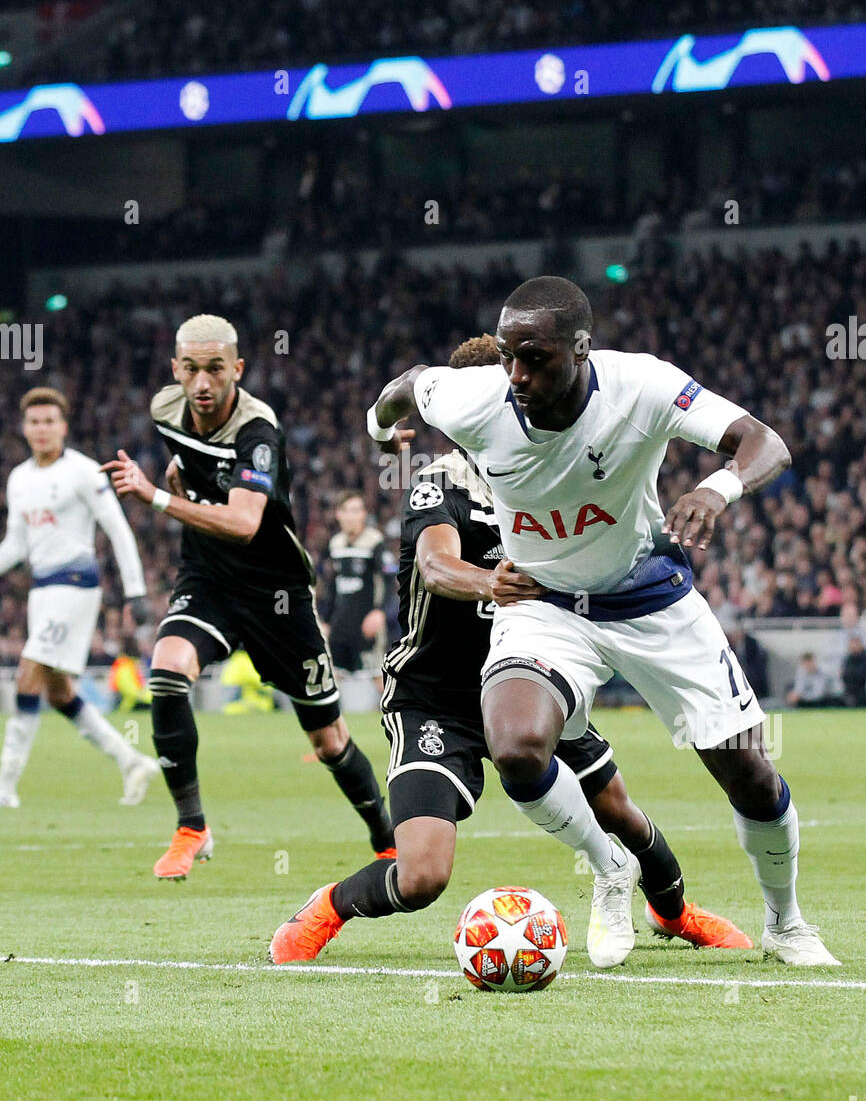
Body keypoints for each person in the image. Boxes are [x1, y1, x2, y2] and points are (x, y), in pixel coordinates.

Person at [361, 277, 839, 967]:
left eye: (536, 358)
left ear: (581, 349)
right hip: (548, 606)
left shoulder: (642, 387)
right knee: (517, 744)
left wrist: (715, 487)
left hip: (652, 600)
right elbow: (405, 385)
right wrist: (382, 433)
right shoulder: (475, 396)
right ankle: (609, 867)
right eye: (507, 356)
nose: (518, 375)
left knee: (750, 775)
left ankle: (786, 922)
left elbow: (762, 443)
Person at [270, 336, 751, 967]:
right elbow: (436, 564)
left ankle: (673, 913)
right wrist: (486, 581)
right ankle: (329, 905)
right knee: (421, 877)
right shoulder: (439, 482)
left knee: (622, 815)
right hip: (437, 698)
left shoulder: (555, 470)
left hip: (532, 679)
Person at [100, 314, 394, 879]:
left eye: (215, 369)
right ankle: (192, 828)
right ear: (175, 371)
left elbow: (242, 522)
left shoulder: (258, 430)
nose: (203, 383)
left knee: (329, 740)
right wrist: (180, 477)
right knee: (165, 672)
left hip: (276, 592)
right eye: (191, 369)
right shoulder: (166, 409)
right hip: (207, 580)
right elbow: (187, 460)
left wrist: (157, 498)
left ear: (237, 368)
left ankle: (386, 839)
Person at [0, 387, 158, 808]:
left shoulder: (84, 472)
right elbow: (16, 546)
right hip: (42, 591)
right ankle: (130, 760)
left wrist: (136, 590)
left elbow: (118, 529)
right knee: (58, 692)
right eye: (34, 422)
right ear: (25, 427)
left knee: (27, 674)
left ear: (63, 426)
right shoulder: (20, 478)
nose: (42, 429)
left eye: (50, 421)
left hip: (75, 586)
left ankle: (5, 781)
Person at [318, 490, 395, 684]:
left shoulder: (375, 541)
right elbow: (332, 586)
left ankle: (392, 713)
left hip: (367, 620)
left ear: (363, 514)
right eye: (347, 511)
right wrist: (326, 619)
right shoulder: (335, 544)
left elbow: (388, 580)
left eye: (356, 510)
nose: (351, 516)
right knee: (333, 677)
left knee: (378, 675)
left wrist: (379, 612)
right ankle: (332, 715)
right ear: (338, 514)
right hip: (341, 621)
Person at [841, 637, 866, 708]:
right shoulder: (847, 658)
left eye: (856, 644)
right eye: (852, 644)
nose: (854, 646)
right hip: (850, 690)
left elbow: (861, 674)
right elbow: (844, 675)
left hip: (862, 690)